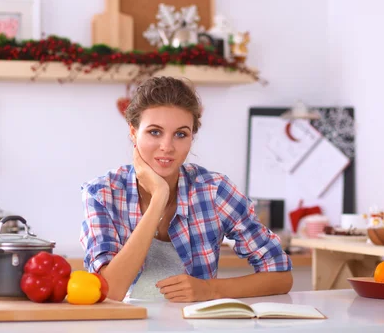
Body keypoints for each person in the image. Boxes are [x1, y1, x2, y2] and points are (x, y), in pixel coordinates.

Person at [80, 76, 292, 302]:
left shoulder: (214, 190)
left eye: (181, 134)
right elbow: (109, 291)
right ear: (133, 132)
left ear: (192, 137)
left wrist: (210, 289)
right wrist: (159, 198)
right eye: (154, 132)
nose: (167, 147)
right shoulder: (102, 193)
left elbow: (281, 276)